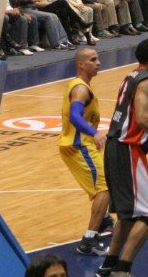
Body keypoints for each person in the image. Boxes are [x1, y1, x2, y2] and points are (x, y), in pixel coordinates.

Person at [98, 39, 148, 277]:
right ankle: (122, 269)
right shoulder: (146, 82)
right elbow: (143, 118)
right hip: (128, 150)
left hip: (115, 147)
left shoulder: (130, 76)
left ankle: (108, 265)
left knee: (127, 213)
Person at [58, 47, 111, 257]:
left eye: (98, 58)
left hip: (83, 144)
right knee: (104, 188)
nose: (98, 62)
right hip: (78, 145)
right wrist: (94, 132)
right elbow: (75, 116)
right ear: (81, 64)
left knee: (106, 183)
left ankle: (104, 219)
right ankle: (88, 240)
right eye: (93, 59)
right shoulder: (80, 89)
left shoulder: (82, 86)